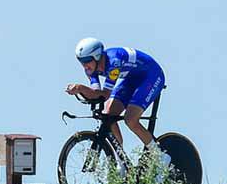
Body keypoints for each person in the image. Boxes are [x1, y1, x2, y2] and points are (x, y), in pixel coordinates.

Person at [66, 38, 170, 176]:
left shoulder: (114, 62)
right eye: (81, 61)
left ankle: (160, 156)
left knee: (130, 119)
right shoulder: (91, 69)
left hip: (151, 75)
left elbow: (105, 94)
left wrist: (80, 88)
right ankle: (121, 163)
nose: (84, 66)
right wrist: (82, 91)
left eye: (86, 61)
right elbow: (96, 94)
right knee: (108, 114)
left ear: (97, 57)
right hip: (132, 78)